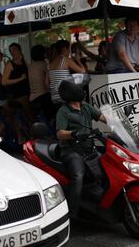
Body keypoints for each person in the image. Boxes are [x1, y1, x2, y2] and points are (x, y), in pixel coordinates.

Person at [56, 80, 106, 217]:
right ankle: (72, 214)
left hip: (89, 148)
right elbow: (60, 133)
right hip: (71, 150)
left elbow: (102, 117)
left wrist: (116, 121)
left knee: (108, 166)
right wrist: (73, 133)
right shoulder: (64, 111)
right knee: (78, 176)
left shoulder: (86, 107)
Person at [49, 39, 86, 107]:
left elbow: (46, 82)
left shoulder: (51, 64)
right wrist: (78, 60)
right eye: (69, 49)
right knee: (83, 97)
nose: (69, 51)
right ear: (64, 48)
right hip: (65, 97)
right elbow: (83, 71)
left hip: (54, 97)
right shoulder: (65, 59)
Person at [28, 44, 55, 121]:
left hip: (32, 99)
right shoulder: (44, 65)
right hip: (43, 97)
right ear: (43, 54)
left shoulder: (30, 66)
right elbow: (48, 81)